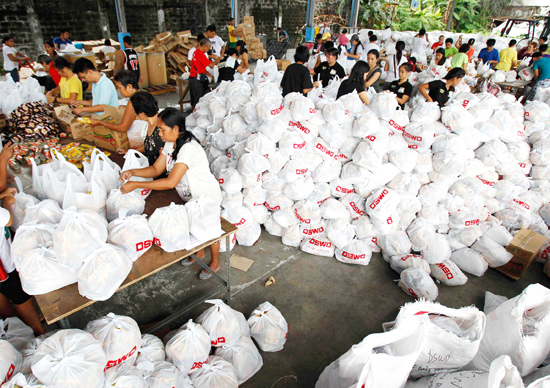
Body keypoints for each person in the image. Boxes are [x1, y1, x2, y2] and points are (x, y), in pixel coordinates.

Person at [119, 108, 222, 280]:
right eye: (159, 129)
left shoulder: (188, 148)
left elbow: (170, 182)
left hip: (206, 196)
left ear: (175, 129)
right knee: (194, 225)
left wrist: (135, 184)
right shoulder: (170, 143)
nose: (159, 134)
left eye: (162, 130)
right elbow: (155, 169)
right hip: (190, 196)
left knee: (210, 229)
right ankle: (200, 254)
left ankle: (215, 262)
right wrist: (132, 172)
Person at [0, 143, 45, 336]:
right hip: (4, 267)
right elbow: (7, 218)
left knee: (3, 298)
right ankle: (38, 333)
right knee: (20, 296)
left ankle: (14, 327)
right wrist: (6, 202)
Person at [89, 70, 146, 149]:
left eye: (119, 88)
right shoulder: (143, 95)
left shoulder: (133, 101)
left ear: (129, 86)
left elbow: (123, 127)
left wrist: (101, 123)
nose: (119, 91)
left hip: (138, 143)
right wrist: (126, 108)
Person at [126, 92, 165, 166]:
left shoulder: (160, 130)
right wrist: (131, 151)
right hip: (150, 167)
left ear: (143, 113)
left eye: (135, 111)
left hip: (157, 171)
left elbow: (161, 165)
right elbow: (149, 144)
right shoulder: (149, 124)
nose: (133, 112)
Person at [189, 38, 215, 107]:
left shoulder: (196, 52)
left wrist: (209, 74)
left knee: (195, 100)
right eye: (208, 48)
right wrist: (218, 59)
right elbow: (211, 65)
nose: (207, 50)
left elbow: (200, 67)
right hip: (197, 80)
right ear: (204, 46)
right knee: (198, 100)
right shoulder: (200, 54)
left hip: (193, 78)